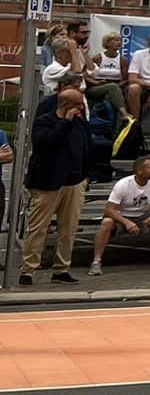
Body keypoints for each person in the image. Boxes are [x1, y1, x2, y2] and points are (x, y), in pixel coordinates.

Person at [19, 86, 92, 285]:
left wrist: (86, 177)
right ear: (67, 105)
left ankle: (61, 269)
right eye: (78, 104)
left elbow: (87, 148)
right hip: (47, 182)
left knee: (68, 229)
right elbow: (44, 144)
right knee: (38, 228)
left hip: (75, 181)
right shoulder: (45, 121)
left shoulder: (81, 124)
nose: (81, 108)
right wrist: (65, 123)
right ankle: (28, 269)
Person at [90, 156, 150, 275]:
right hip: (122, 217)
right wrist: (126, 222)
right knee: (106, 222)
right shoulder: (123, 184)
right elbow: (109, 210)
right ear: (140, 171)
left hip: (144, 216)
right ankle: (96, 262)